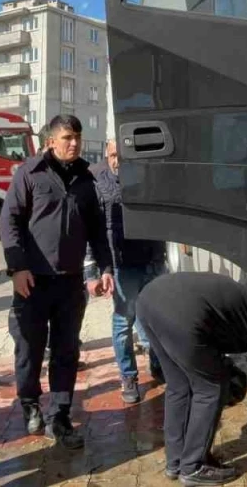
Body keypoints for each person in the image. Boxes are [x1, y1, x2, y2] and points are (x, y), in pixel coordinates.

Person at [2, 114, 113, 449]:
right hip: (33, 282)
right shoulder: (29, 174)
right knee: (29, 349)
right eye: (67, 137)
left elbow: (97, 229)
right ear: (51, 141)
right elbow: (9, 221)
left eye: (77, 136)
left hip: (70, 282)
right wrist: (17, 268)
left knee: (66, 350)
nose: (74, 143)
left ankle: (61, 415)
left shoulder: (85, 179)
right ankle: (30, 403)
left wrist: (105, 267)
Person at [137, 272, 247, 487]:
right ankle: (193, 467)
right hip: (183, 315)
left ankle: (176, 462)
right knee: (211, 387)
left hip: (149, 299)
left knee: (179, 386)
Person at [83, 139, 167, 405]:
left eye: (122, 155)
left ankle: (157, 363)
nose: (118, 160)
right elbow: (92, 232)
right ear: (106, 155)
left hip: (153, 260)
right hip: (122, 266)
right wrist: (94, 272)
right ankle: (128, 377)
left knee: (154, 319)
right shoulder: (98, 182)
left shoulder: (148, 178)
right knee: (123, 322)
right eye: (113, 155)